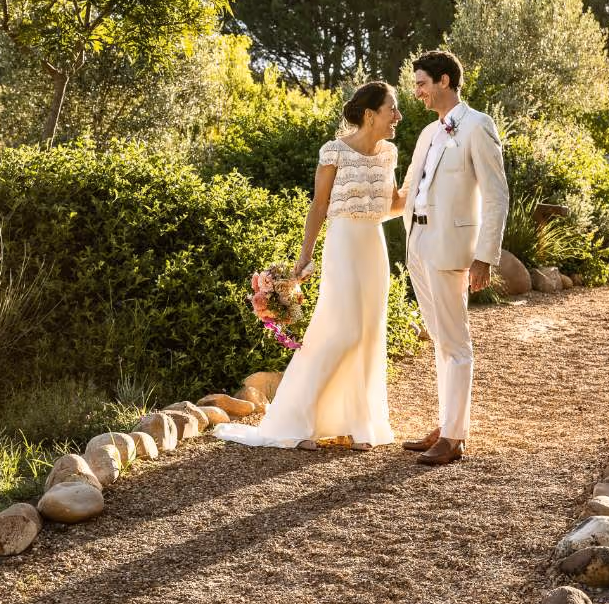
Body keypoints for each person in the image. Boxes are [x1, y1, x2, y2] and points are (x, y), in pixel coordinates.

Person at [213, 81, 405, 451]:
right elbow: (318, 207)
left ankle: (357, 424)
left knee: (367, 333)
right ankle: (295, 421)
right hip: (344, 244)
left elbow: (391, 206)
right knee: (343, 330)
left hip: (373, 247)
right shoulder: (334, 151)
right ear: (370, 114)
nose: (397, 116)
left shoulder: (389, 153)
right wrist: (305, 256)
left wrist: (422, 186)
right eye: (391, 109)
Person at [399, 50, 508, 466]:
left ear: (445, 81)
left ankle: (454, 437)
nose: (418, 92)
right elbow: (411, 189)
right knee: (440, 339)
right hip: (419, 241)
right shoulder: (428, 133)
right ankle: (446, 425)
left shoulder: (478, 125)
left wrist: (485, 256)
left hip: (452, 246)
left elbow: (497, 195)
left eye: (422, 83)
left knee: (456, 341)